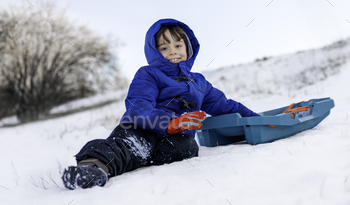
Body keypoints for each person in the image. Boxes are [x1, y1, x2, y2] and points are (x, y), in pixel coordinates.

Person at [61, 18, 259, 190]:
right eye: (164, 48)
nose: (172, 52)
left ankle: (142, 157)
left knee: (188, 147)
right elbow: (138, 106)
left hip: (176, 139)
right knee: (128, 145)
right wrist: (169, 123)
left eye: (178, 46)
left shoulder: (199, 83)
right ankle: (92, 167)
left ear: (188, 48)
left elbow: (226, 105)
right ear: (154, 52)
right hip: (141, 128)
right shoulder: (148, 74)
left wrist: (259, 120)